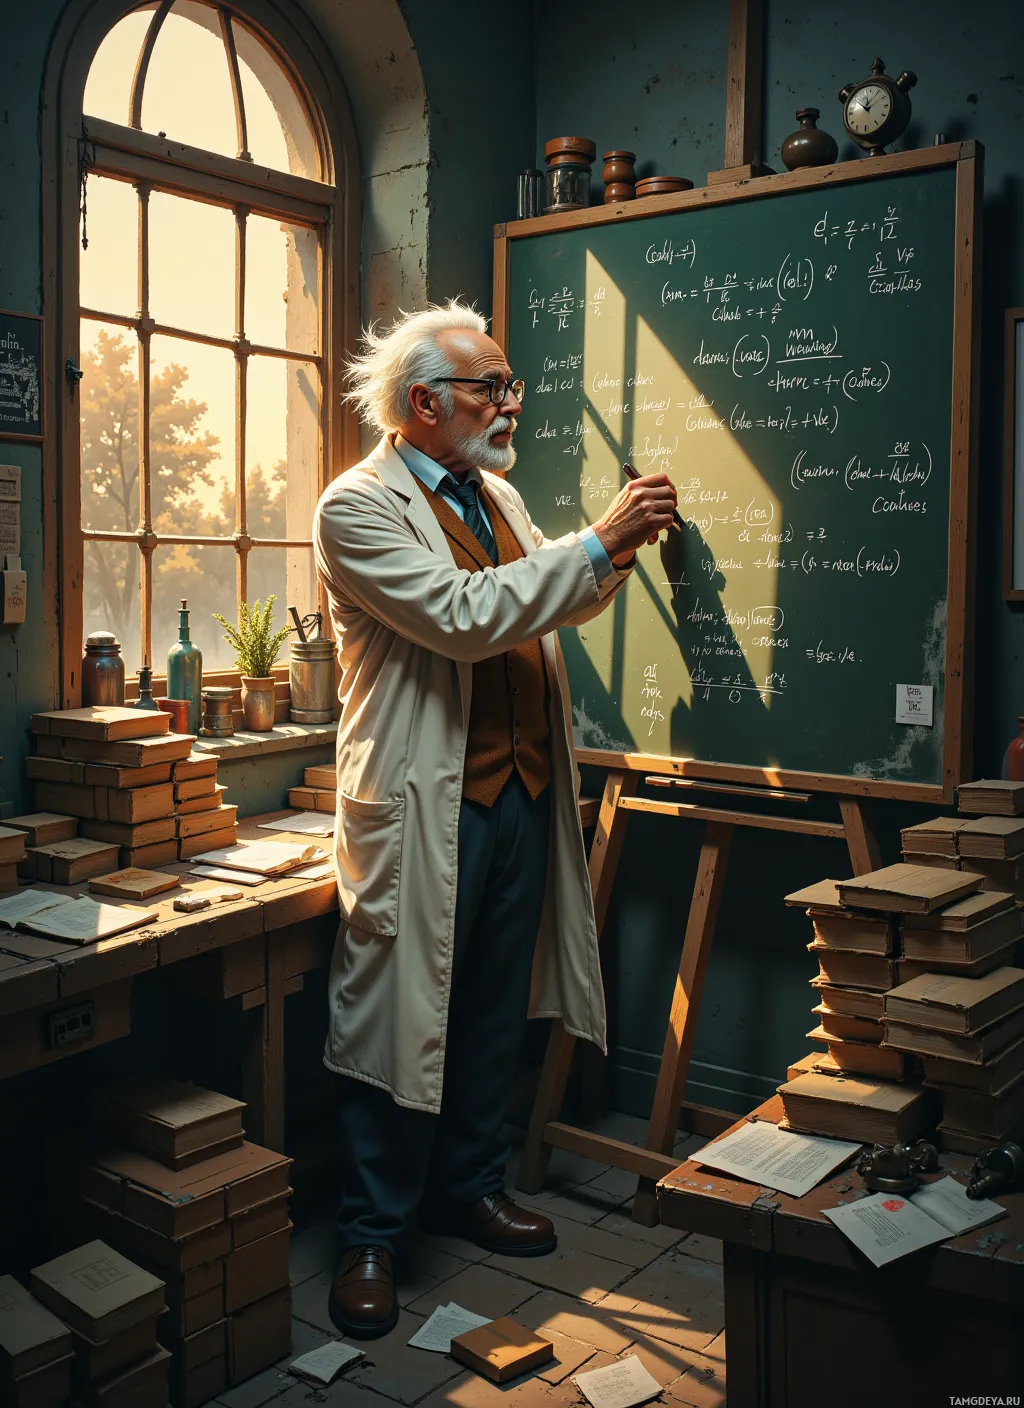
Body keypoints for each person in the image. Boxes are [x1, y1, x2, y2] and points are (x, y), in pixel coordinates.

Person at [312, 300, 678, 1338]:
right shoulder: (357, 506)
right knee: (397, 1015)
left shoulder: (498, 498)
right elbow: (464, 617)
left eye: (508, 384)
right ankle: (371, 1234)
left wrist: (616, 545)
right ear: (423, 403)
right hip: (423, 808)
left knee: (484, 1008)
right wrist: (595, 544)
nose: (510, 403)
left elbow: (543, 595)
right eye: (490, 388)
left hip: (516, 795)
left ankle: (467, 1186)